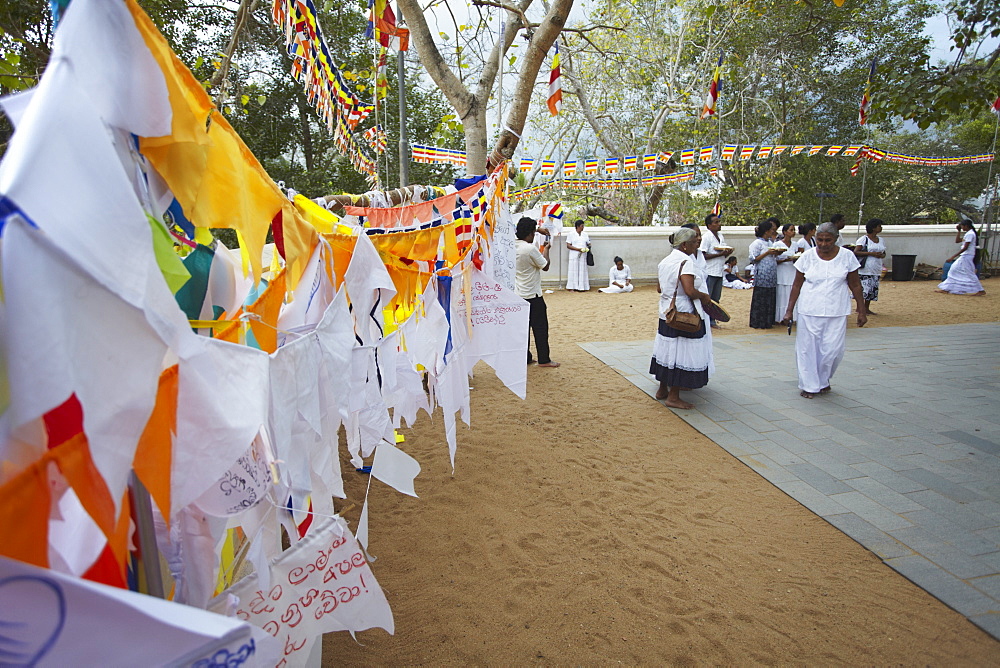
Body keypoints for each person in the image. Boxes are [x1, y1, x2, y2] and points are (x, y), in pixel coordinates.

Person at [781, 222, 867, 399]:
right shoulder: (807, 257)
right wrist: (789, 311)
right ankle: (809, 385)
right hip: (809, 309)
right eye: (819, 240)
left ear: (836, 239)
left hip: (837, 310)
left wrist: (862, 309)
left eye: (828, 240)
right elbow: (796, 285)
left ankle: (823, 379)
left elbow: (856, 284)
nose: (823, 244)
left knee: (832, 351)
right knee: (807, 349)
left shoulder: (847, 257)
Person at [650, 228, 714, 409]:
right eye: (694, 242)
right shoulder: (686, 262)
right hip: (683, 312)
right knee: (681, 352)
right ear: (685, 245)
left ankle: (663, 389)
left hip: (666, 311)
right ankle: (674, 395)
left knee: (666, 349)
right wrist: (703, 296)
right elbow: (689, 290)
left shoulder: (665, 261)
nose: (697, 244)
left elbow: (659, 288)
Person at [515, 217, 560, 367]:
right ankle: (544, 359)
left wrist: (537, 228)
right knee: (540, 328)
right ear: (529, 234)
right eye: (533, 233)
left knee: (522, 329)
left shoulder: (511, 246)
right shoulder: (529, 249)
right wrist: (546, 249)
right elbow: (545, 265)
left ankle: (525, 357)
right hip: (532, 294)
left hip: (518, 294)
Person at [937, 220, 986, 295]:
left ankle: (981, 290)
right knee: (953, 270)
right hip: (965, 256)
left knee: (968, 273)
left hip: (967, 256)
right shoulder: (968, 233)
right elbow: (957, 241)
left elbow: (965, 248)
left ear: (966, 226)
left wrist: (953, 256)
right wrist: (959, 231)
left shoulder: (970, 234)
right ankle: (947, 289)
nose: (962, 227)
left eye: (962, 226)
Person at [698, 213, 731, 328]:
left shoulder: (720, 236)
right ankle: (704, 319)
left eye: (718, 222)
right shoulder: (707, 237)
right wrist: (720, 254)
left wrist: (725, 254)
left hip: (719, 271)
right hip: (709, 271)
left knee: (716, 298)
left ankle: (712, 319)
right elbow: (703, 255)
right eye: (716, 222)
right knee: (708, 297)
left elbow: (722, 254)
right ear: (709, 225)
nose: (718, 224)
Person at [748, 219, 781, 329]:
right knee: (761, 298)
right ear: (766, 231)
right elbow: (753, 259)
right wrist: (767, 252)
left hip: (771, 275)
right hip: (762, 275)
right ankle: (758, 322)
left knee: (769, 298)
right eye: (771, 230)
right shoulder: (757, 243)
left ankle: (768, 321)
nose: (773, 231)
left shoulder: (770, 242)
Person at [854, 218, 887, 313]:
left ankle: (866, 307)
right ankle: (860, 307)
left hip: (876, 267)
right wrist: (871, 254)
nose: (881, 228)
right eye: (879, 226)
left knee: (872, 287)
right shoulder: (864, 239)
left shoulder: (881, 240)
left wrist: (881, 255)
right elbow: (856, 252)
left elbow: (884, 252)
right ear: (873, 228)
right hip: (866, 267)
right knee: (864, 287)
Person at [775, 223, 798, 323]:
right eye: (791, 230)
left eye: (794, 230)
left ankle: (792, 316)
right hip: (782, 272)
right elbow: (774, 260)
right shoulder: (777, 244)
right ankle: (780, 317)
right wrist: (786, 259)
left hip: (792, 271)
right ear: (785, 232)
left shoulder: (795, 244)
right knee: (782, 295)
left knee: (791, 294)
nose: (793, 232)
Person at [565, 219, 591, 292]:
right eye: (582, 226)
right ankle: (572, 287)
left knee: (582, 270)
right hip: (574, 254)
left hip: (583, 255)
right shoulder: (571, 234)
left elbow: (588, 243)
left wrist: (586, 248)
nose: (583, 228)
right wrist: (577, 249)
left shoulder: (585, 234)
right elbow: (568, 245)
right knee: (573, 270)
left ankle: (582, 287)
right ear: (577, 226)